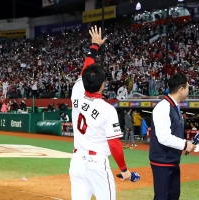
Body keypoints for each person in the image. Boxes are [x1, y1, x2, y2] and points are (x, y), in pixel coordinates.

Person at [69, 26, 132, 200]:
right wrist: (124, 170)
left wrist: (94, 47)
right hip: (96, 165)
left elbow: (86, 69)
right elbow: (114, 145)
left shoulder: (76, 91)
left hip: (76, 161)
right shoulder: (107, 109)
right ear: (103, 84)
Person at [149, 73, 196, 200]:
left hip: (172, 160)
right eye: (187, 88)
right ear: (181, 90)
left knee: (173, 196)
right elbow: (163, 137)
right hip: (162, 161)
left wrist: (186, 144)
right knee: (162, 197)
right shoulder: (163, 107)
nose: (188, 91)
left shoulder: (175, 106)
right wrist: (185, 144)